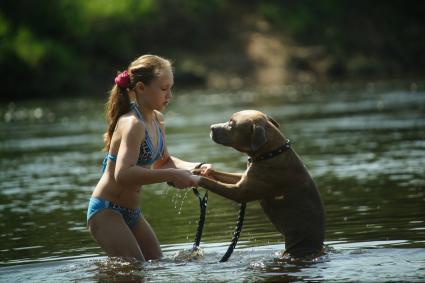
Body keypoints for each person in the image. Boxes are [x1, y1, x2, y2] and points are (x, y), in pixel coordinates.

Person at [87, 54, 210, 261]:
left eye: (171, 88)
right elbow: (123, 174)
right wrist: (172, 174)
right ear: (141, 88)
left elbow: (164, 161)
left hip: (132, 212)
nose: (169, 95)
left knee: (156, 264)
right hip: (106, 210)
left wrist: (198, 167)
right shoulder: (132, 124)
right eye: (163, 89)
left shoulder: (157, 119)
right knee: (137, 270)